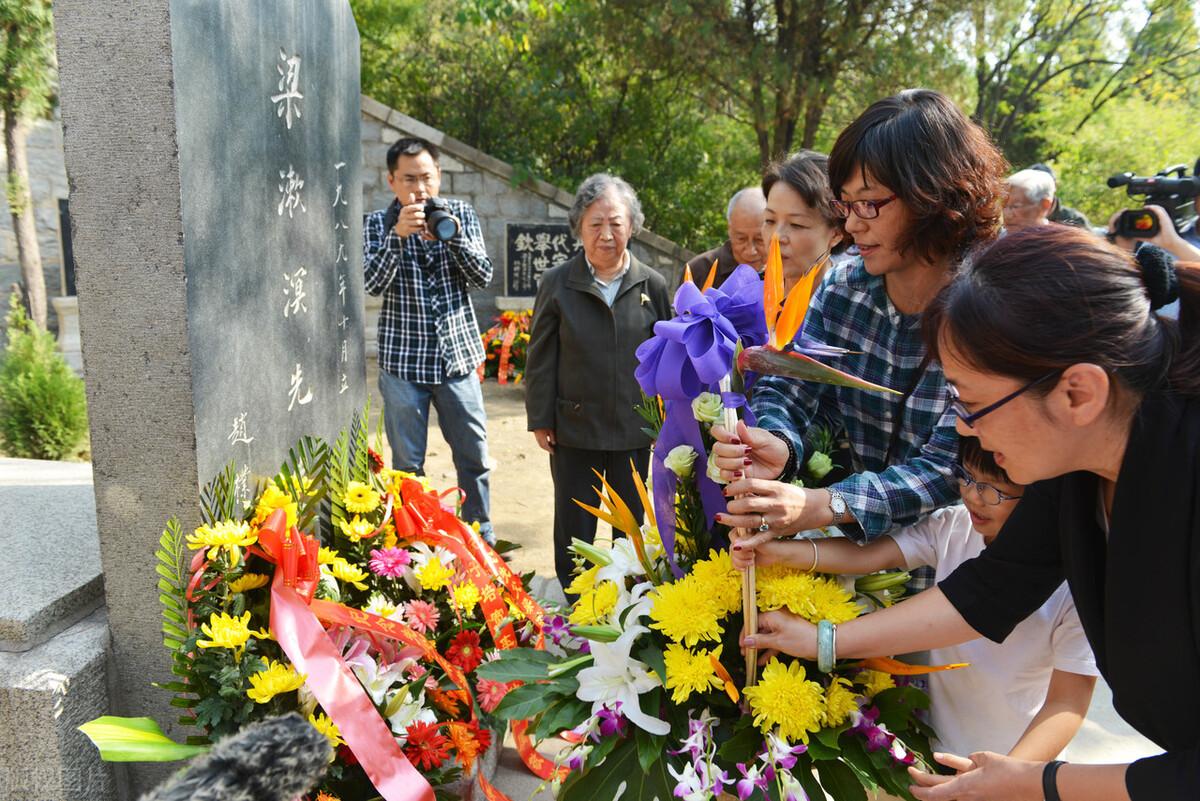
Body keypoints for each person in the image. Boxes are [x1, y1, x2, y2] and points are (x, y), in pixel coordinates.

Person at [738, 225, 1200, 801]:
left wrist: (1040, 784)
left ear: (1078, 394)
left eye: (971, 403)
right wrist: (824, 641)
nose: (960, 429)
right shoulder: (1071, 470)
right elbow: (990, 589)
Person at [712, 90, 1008, 595]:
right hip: (849, 567)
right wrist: (778, 444)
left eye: (870, 203)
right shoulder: (844, 287)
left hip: (962, 574)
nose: (852, 224)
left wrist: (824, 505)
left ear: (935, 196)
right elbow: (790, 386)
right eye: (846, 205)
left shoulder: (994, 306)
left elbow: (950, 464)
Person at [732, 437, 1098, 762]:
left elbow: (1067, 703)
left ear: (1041, 501)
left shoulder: (1075, 585)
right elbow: (871, 555)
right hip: (933, 740)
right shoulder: (956, 526)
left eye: (994, 490)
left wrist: (1009, 775)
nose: (973, 495)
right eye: (967, 477)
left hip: (1011, 758)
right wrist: (776, 552)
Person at [524, 174, 672, 590]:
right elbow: (540, 357)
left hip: (633, 426)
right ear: (579, 227)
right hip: (574, 424)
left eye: (616, 223)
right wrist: (541, 417)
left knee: (630, 521)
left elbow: (666, 355)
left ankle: (629, 599)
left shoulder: (653, 284)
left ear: (632, 226)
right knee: (575, 520)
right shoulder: (558, 282)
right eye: (596, 224)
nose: (607, 234)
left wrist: (666, 419)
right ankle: (576, 599)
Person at [363, 137, 495, 542]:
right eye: (408, 179)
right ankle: (415, 544)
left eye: (426, 178)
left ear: (439, 176)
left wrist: (451, 237)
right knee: (407, 466)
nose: (419, 189)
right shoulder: (376, 224)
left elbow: (482, 277)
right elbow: (371, 283)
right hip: (403, 364)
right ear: (392, 181)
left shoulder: (461, 216)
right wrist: (398, 237)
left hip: (458, 360)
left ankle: (480, 537)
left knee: (474, 456)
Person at [760, 150, 845, 292]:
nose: (777, 237)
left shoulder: (851, 306)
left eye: (796, 224)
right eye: (769, 221)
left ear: (837, 233)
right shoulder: (743, 300)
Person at [684, 187, 766, 288]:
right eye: (741, 239)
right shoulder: (699, 270)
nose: (751, 251)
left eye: (760, 240)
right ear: (729, 230)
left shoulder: (786, 275)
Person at [1029, 163, 1091, 229]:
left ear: (1055, 185)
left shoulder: (1074, 219)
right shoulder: (1020, 216)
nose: (1038, 188)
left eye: (1044, 184)